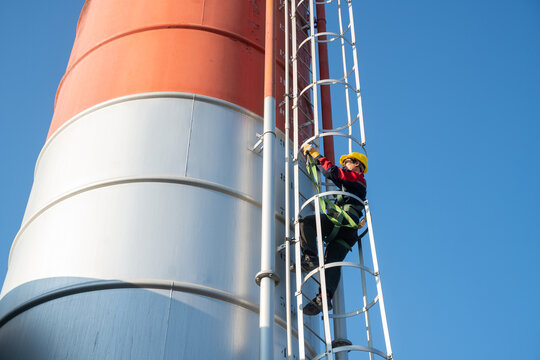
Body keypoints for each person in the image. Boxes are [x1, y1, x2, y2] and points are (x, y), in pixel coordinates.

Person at [299, 144, 368, 316]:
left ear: (357, 164)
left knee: (307, 223)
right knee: (332, 262)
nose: (345, 165)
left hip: (342, 221)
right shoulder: (353, 184)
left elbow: (333, 173)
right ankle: (324, 297)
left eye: (348, 162)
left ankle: (310, 257)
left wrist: (315, 154)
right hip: (348, 231)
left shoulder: (357, 178)